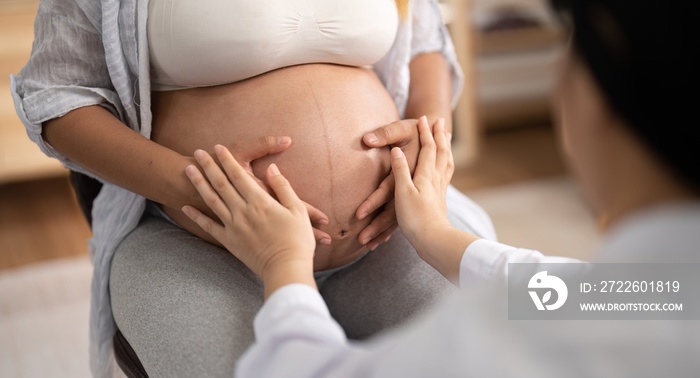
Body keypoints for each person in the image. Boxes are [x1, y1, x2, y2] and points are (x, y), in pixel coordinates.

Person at [180, 0, 700, 376]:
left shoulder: (517, 344)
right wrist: (437, 234)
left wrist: (283, 266)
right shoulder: (668, 291)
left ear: (593, 105)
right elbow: (569, 292)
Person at [10, 0, 496, 376]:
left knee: (479, 352)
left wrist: (428, 148)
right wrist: (191, 186)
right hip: (202, 243)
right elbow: (58, 96)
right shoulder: (570, 293)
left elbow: (423, 39)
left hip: (385, 239)